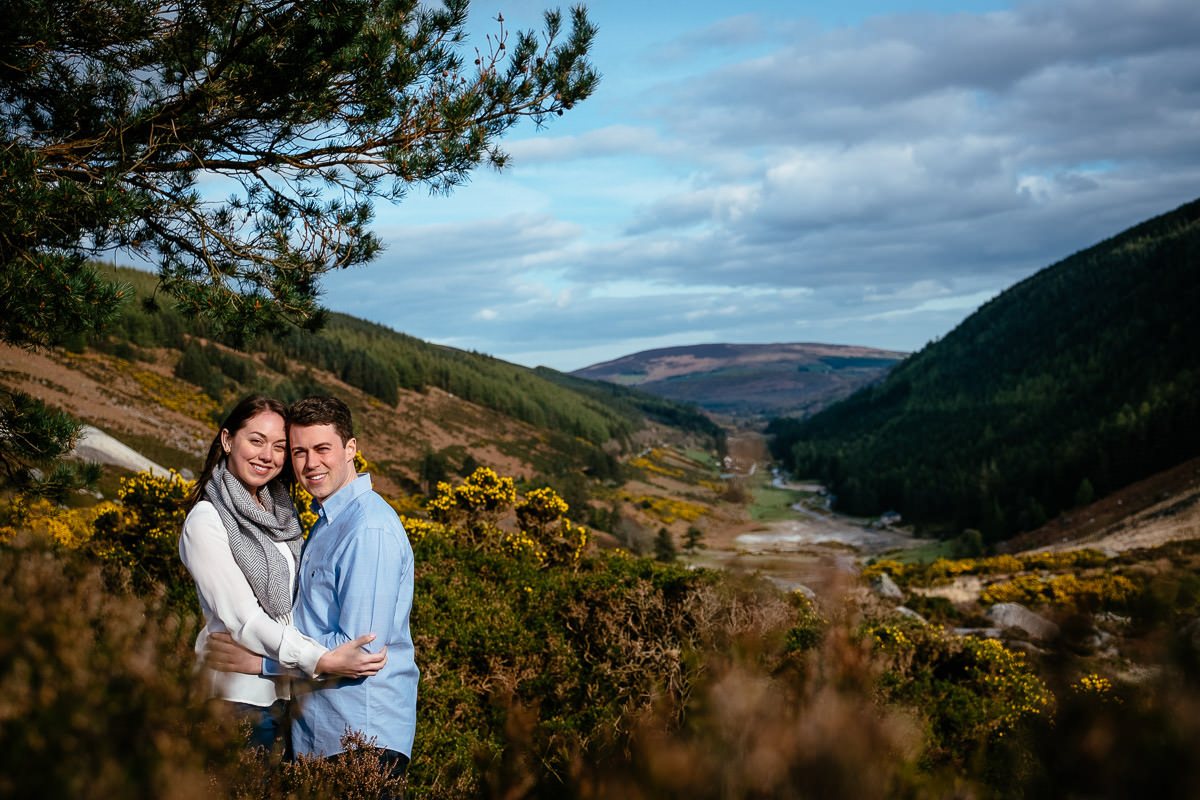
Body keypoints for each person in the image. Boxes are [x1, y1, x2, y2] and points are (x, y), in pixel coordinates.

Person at [209, 396, 419, 793]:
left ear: (350, 449)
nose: (310, 464)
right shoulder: (326, 522)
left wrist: (261, 664)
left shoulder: (368, 528)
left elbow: (361, 651)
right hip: (318, 738)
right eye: (300, 452)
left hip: (361, 738)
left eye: (323, 449)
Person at [179, 394, 386, 753]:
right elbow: (242, 619)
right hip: (234, 699)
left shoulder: (281, 516)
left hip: (282, 698)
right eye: (256, 441)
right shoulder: (206, 520)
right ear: (228, 440)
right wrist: (319, 659)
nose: (267, 456)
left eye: (279, 446)